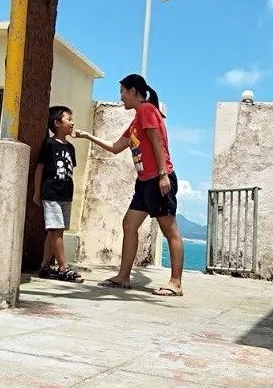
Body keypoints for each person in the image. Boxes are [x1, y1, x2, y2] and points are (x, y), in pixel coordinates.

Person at [74, 74, 184, 296]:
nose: (121, 97)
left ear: (134, 91)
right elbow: (115, 147)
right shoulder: (136, 120)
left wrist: (163, 175)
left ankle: (176, 283)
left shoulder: (146, 110)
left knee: (169, 230)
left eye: (123, 92)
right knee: (129, 224)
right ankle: (123, 277)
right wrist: (88, 136)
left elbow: (157, 142)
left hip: (158, 179)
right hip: (143, 182)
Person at [34, 105, 84, 283]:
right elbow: (40, 168)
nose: (72, 123)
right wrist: (36, 192)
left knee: (56, 231)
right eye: (68, 119)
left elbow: (70, 171)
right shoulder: (49, 144)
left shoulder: (71, 148)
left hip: (65, 195)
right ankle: (63, 266)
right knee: (56, 229)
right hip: (51, 193)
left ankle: (45, 266)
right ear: (57, 123)